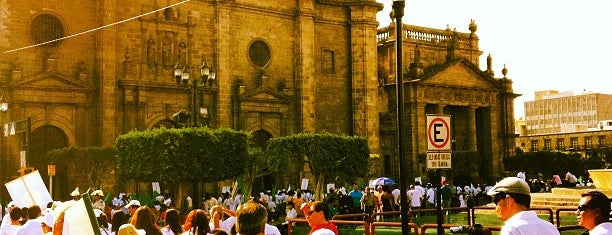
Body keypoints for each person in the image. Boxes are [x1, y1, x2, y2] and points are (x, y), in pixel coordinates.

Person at [487, 177, 559, 235]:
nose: (496, 207)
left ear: (508, 200)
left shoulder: (511, 229)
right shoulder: (550, 227)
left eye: (496, 202)